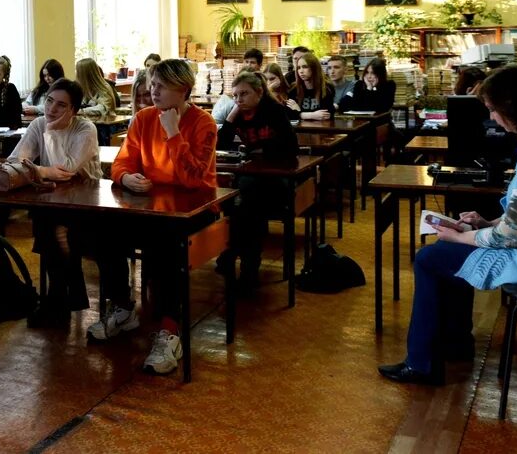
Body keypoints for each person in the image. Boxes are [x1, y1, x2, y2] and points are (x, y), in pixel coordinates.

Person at [378, 67, 517, 385]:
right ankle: (454, 343)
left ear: (512, 108)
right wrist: (486, 223)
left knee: (430, 258)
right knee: (446, 252)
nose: (492, 118)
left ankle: (422, 363)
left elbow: (511, 236)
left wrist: (462, 237)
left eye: (492, 109)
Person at [91, 59, 217, 375]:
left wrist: (173, 133)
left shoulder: (204, 124)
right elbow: (121, 163)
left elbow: (193, 180)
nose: (153, 90)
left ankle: (170, 329)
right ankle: (123, 307)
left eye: (161, 85)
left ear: (183, 90)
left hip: (195, 211)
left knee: (164, 244)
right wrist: (126, 178)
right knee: (103, 230)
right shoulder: (144, 119)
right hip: (151, 208)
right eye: (152, 84)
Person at [9, 78, 101, 325]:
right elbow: (15, 161)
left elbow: (67, 170)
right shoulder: (38, 123)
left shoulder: (85, 129)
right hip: (54, 198)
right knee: (49, 223)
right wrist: (43, 171)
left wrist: (50, 134)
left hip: (87, 200)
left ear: (74, 110)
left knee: (53, 227)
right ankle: (64, 297)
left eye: (61, 105)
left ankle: (58, 298)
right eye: (49, 101)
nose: (51, 109)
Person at [217, 71, 298, 292]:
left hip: (277, 180)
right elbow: (221, 144)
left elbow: (291, 146)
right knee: (242, 204)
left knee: (247, 204)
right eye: (235, 95)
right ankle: (246, 263)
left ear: (259, 92)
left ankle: (236, 256)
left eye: (244, 94)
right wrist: (231, 116)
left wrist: (264, 150)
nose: (239, 99)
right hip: (250, 181)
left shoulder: (274, 111)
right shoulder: (238, 114)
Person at [293, 51, 335, 121]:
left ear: (314, 68)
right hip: (299, 127)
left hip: (322, 126)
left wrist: (299, 113)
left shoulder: (327, 88)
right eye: (298, 68)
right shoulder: (294, 89)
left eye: (305, 67)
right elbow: (289, 113)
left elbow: (326, 114)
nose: (301, 71)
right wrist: (311, 115)